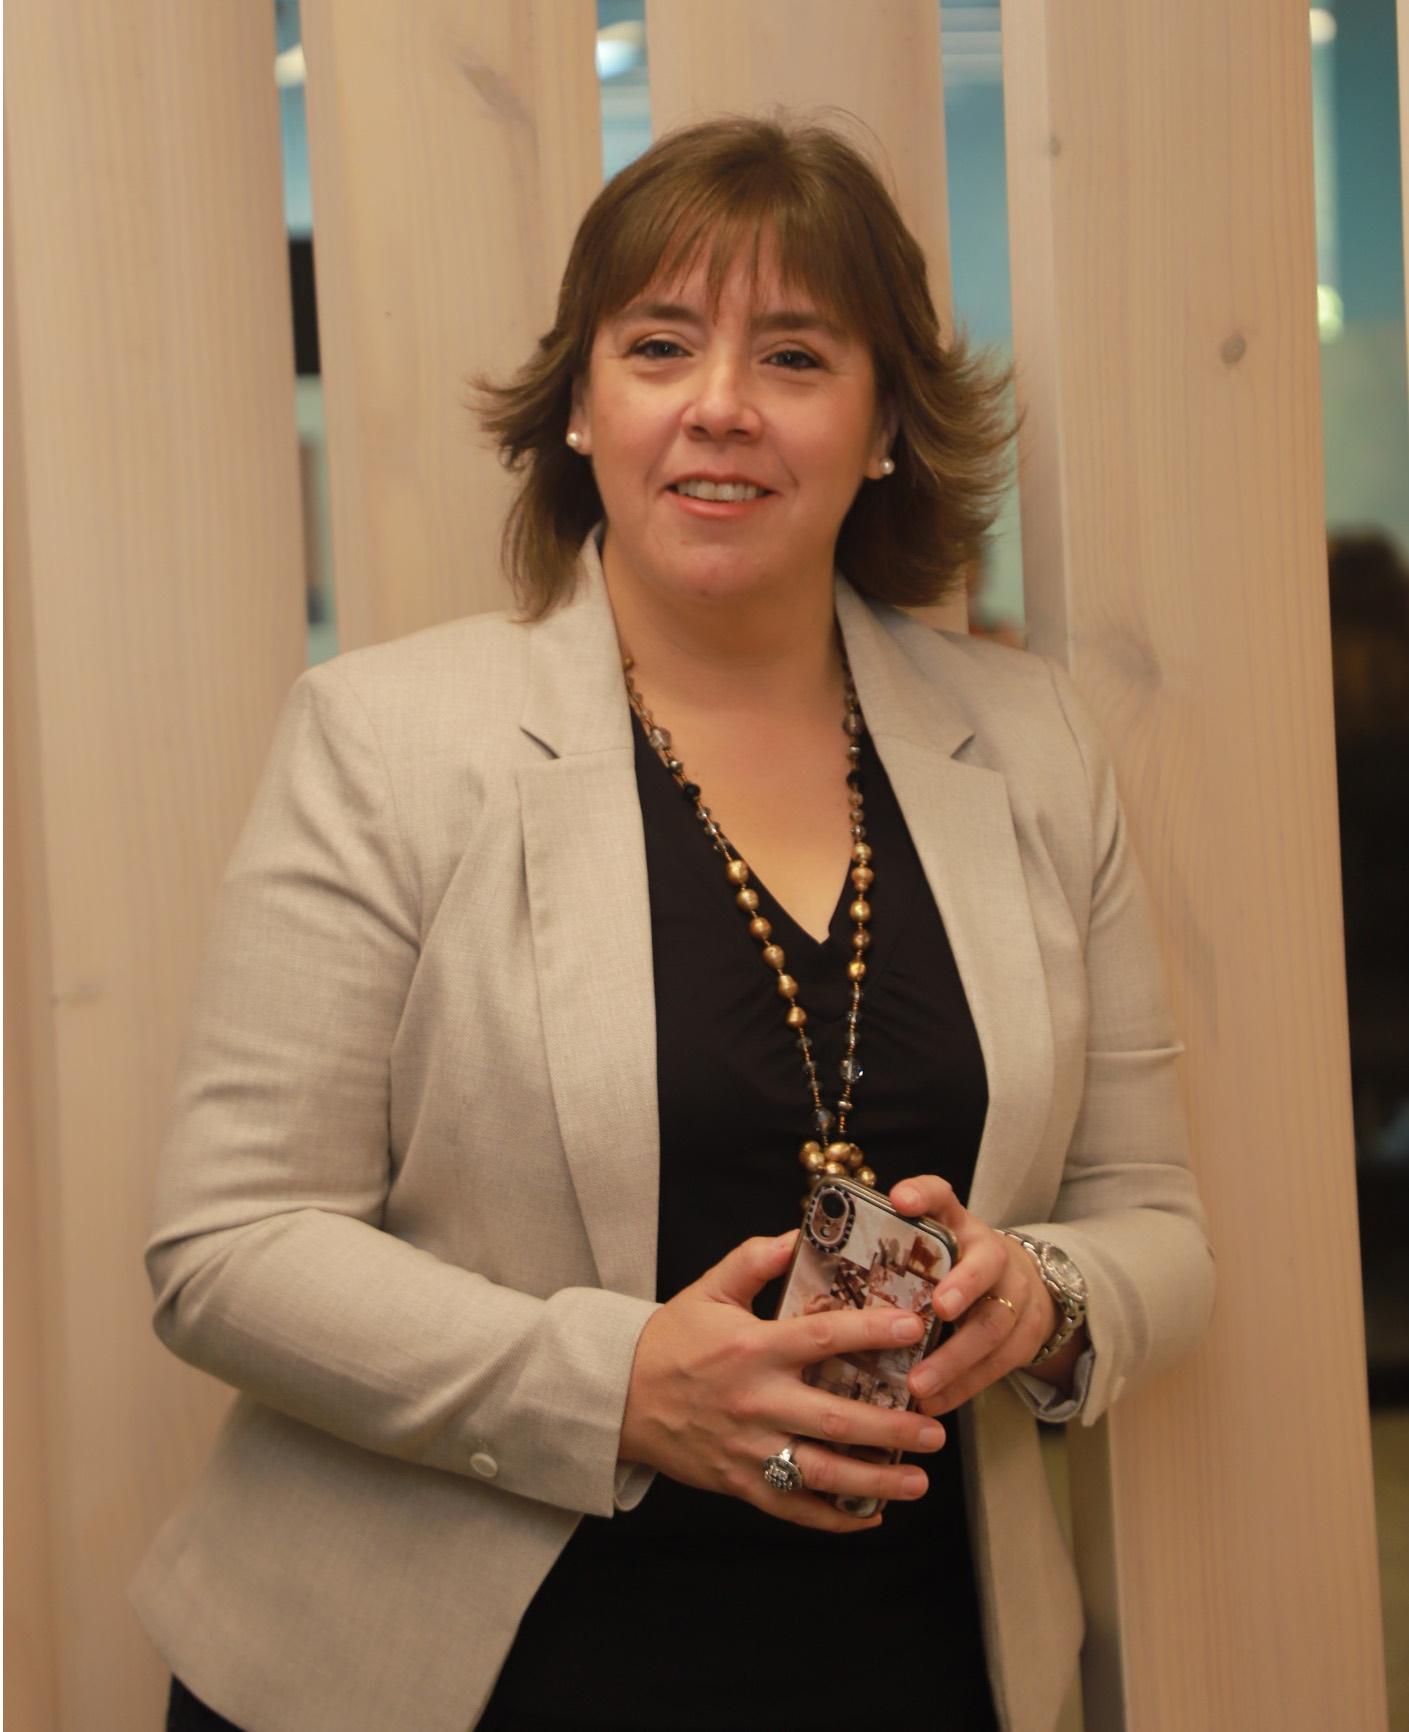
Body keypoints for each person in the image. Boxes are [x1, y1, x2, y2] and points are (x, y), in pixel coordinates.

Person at [133, 114, 1213, 1732]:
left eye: (794, 354)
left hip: (909, 1668)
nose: (719, 404)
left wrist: (1042, 1301)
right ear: (581, 407)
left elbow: (1153, 1222)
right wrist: (620, 1388)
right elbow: (227, 1247)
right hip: (453, 1679)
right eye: (657, 346)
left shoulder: (1034, 749)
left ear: (882, 426)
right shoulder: (387, 741)